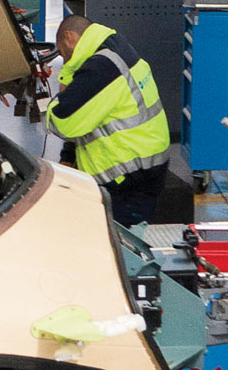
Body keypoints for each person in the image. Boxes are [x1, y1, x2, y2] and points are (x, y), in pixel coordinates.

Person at [45, 14, 172, 226]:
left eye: (62, 52)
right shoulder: (115, 48)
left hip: (128, 181)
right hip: (145, 168)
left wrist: (59, 93)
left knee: (120, 243)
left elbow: (62, 122)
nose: (64, 59)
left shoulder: (102, 68)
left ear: (69, 37)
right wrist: (69, 154)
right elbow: (92, 114)